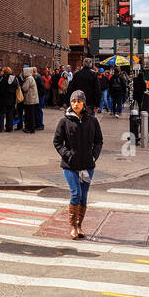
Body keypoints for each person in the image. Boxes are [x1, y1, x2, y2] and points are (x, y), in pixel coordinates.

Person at [53, 89, 102, 239]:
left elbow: (98, 141)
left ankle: (80, 225)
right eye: (73, 101)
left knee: (84, 196)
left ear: (83, 103)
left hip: (87, 165)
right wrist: (68, 155)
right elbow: (57, 142)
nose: (75, 104)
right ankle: (72, 226)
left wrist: (94, 156)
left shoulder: (92, 121)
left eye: (78, 101)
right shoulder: (64, 121)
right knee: (76, 193)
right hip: (70, 166)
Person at [0, 66, 18, 132]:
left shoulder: (4, 80)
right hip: (12, 99)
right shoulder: (14, 79)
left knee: (1, 113)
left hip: (3, 99)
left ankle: (1, 127)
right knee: (10, 113)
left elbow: (1, 91)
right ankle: (9, 128)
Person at [19, 65, 38, 133]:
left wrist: (21, 86)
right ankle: (31, 127)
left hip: (30, 99)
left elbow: (24, 88)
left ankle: (30, 128)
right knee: (30, 114)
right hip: (32, 99)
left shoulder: (29, 79)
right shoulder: (31, 78)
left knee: (29, 114)